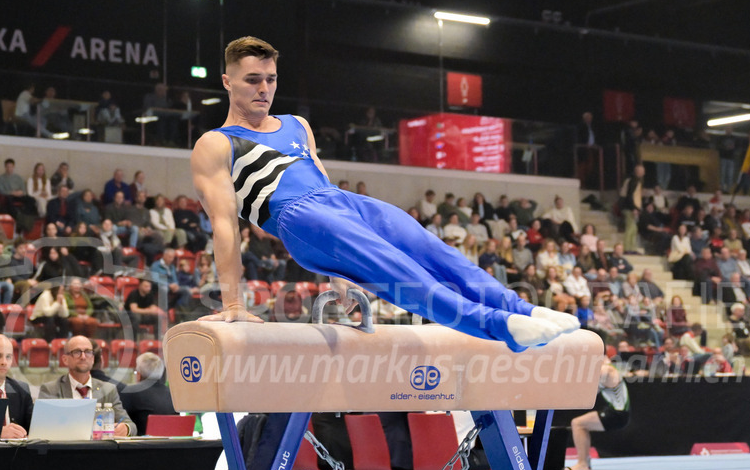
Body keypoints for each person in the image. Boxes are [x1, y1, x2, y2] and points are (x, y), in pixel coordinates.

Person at [190, 37, 576, 350]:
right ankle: (500, 326)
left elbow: (322, 184)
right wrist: (233, 303)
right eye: (252, 79)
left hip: (341, 203)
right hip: (297, 216)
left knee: (435, 252)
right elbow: (224, 226)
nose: (264, 89)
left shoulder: (297, 124)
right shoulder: (217, 143)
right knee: (403, 275)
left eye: (271, 79)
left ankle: (522, 309)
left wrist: (336, 273)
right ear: (227, 81)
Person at [37, 335, 136, 436]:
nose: (83, 357)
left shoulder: (108, 389)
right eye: (77, 352)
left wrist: (125, 429)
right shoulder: (51, 389)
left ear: (93, 358)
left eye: (88, 352)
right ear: (65, 359)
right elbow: (41, 428)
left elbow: (131, 426)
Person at [569, 359, 630, 470]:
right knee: (579, 424)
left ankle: (583, 463)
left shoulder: (605, 369)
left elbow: (588, 395)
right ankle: (584, 462)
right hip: (617, 412)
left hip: (617, 414)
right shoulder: (607, 365)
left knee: (577, 423)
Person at [119, 352, 177, 436]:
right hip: (173, 446)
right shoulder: (173, 395)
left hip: (139, 446)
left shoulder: (129, 392)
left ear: (138, 374)